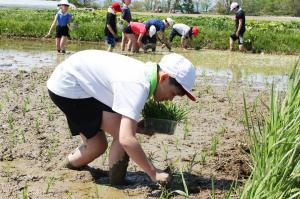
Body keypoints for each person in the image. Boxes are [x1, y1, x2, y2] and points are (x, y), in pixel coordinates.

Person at [47, 50, 196, 185]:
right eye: (173, 93)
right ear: (164, 77)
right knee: (121, 134)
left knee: (97, 146)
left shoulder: (144, 74)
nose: (170, 99)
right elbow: (126, 139)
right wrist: (153, 172)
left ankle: (66, 169)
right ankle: (117, 183)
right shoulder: (138, 85)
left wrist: (136, 127)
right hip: (69, 86)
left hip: (76, 80)